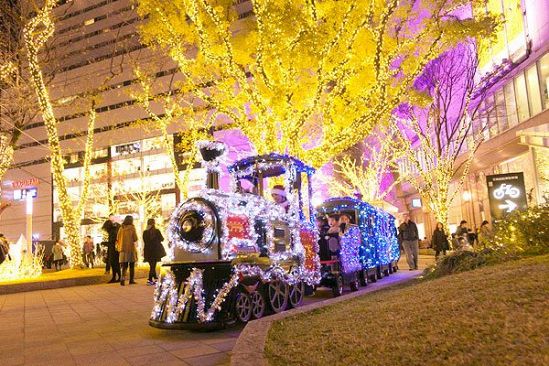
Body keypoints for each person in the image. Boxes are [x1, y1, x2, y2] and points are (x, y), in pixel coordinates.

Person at [143, 218, 166, 286]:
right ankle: (150, 279)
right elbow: (162, 239)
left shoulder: (145, 232)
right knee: (153, 265)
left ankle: (153, 277)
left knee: (152, 265)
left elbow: (145, 241)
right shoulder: (157, 231)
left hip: (148, 251)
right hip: (156, 250)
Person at [116, 215, 138, 286]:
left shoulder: (121, 228)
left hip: (122, 249)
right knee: (131, 265)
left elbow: (117, 238)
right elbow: (135, 238)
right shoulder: (132, 228)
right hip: (130, 249)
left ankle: (122, 278)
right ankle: (131, 280)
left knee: (124, 265)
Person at [102, 215, 121, 283]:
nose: (105, 230)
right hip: (114, 250)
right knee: (114, 264)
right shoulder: (113, 230)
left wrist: (105, 243)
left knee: (115, 264)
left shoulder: (112, 232)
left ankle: (118, 277)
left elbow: (112, 242)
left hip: (114, 251)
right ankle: (116, 277)